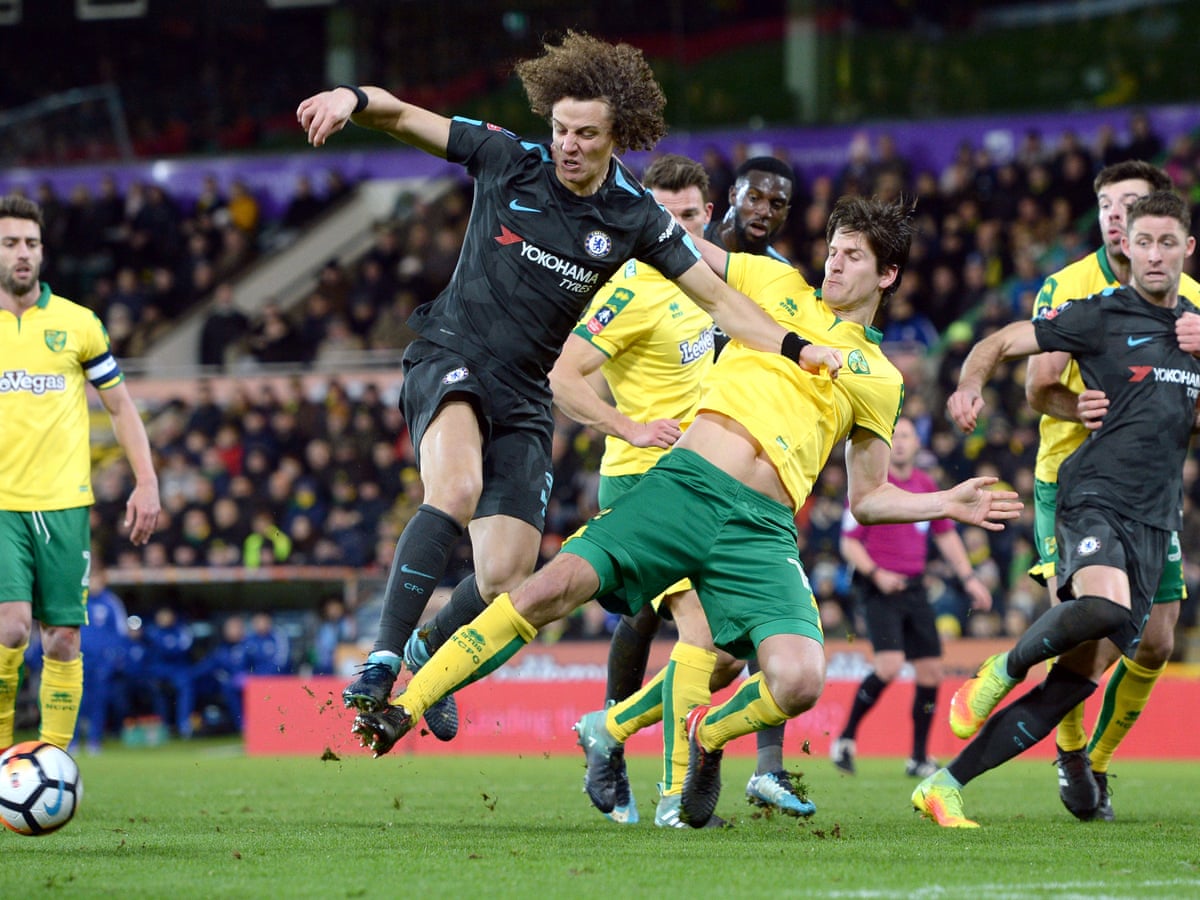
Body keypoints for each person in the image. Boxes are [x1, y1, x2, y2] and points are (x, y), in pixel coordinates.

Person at [350, 195, 1022, 829]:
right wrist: (614, 195)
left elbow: (868, 498)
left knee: (799, 680)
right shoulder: (770, 282)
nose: (834, 264)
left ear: (888, 273)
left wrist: (947, 503)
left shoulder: (883, 379)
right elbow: (681, 245)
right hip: (683, 486)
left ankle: (708, 732)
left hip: (761, 530)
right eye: (833, 250)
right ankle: (402, 708)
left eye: (852, 256)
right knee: (551, 587)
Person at [297, 31, 819, 742]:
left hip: (523, 392)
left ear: (616, 137)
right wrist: (349, 97)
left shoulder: (634, 214)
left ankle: (427, 652)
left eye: (586, 134)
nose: (569, 144)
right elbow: (402, 116)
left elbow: (721, 301)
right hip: (453, 353)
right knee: (452, 490)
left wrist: (795, 346)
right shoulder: (509, 160)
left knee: (507, 575)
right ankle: (381, 660)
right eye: (561, 129)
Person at [917, 190, 1200, 828]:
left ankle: (945, 784)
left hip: (1158, 517)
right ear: (1125, 245)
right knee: (1103, 608)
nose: (1153, 254)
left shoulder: (1195, 329)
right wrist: (968, 383)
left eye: (1166, 242)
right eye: (1142, 241)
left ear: (1188, 248)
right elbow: (1004, 340)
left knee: (1076, 679)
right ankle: (999, 668)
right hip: (1094, 494)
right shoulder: (1100, 313)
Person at [546, 154, 799, 827]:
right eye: (666, 218)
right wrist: (627, 425)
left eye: (689, 217)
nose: (677, 231)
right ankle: (671, 797)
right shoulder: (629, 287)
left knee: (719, 655)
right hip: (642, 476)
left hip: (710, 480)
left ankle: (611, 729)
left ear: (708, 217)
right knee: (694, 632)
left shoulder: (727, 288)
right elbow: (565, 377)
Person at [1023, 161, 1200, 821]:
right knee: (1088, 627)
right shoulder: (1066, 290)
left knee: (1155, 640)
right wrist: (1083, 409)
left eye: (1129, 206)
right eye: (1106, 206)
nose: (1116, 219)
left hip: (1150, 491)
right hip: (1072, 482)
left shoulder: (1192, 301)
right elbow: (1038, 386)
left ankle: (1095, 760)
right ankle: (1069, 753)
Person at [0, 193, 160, 753]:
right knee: (11, 629)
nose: (23, 254)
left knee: (63, 639)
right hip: (1, 506)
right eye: (11, 243)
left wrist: (146, 480)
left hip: (65, 503)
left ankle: (52, 763)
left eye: (31, 244)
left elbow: (119, 407)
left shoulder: (78, 324)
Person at [829, 416, 993, 779]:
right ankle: (845, 739)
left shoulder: (925, 486)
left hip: (914, 588)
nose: (900, 442)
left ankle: (918, 756)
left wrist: (970, 578)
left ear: (917, 444)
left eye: (905, 436)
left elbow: (947, 536)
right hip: (877, 587)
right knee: (889, 666)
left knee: (931, 672)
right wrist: (876, 573)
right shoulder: (871, 486)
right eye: (894, 436)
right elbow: (848, 543)